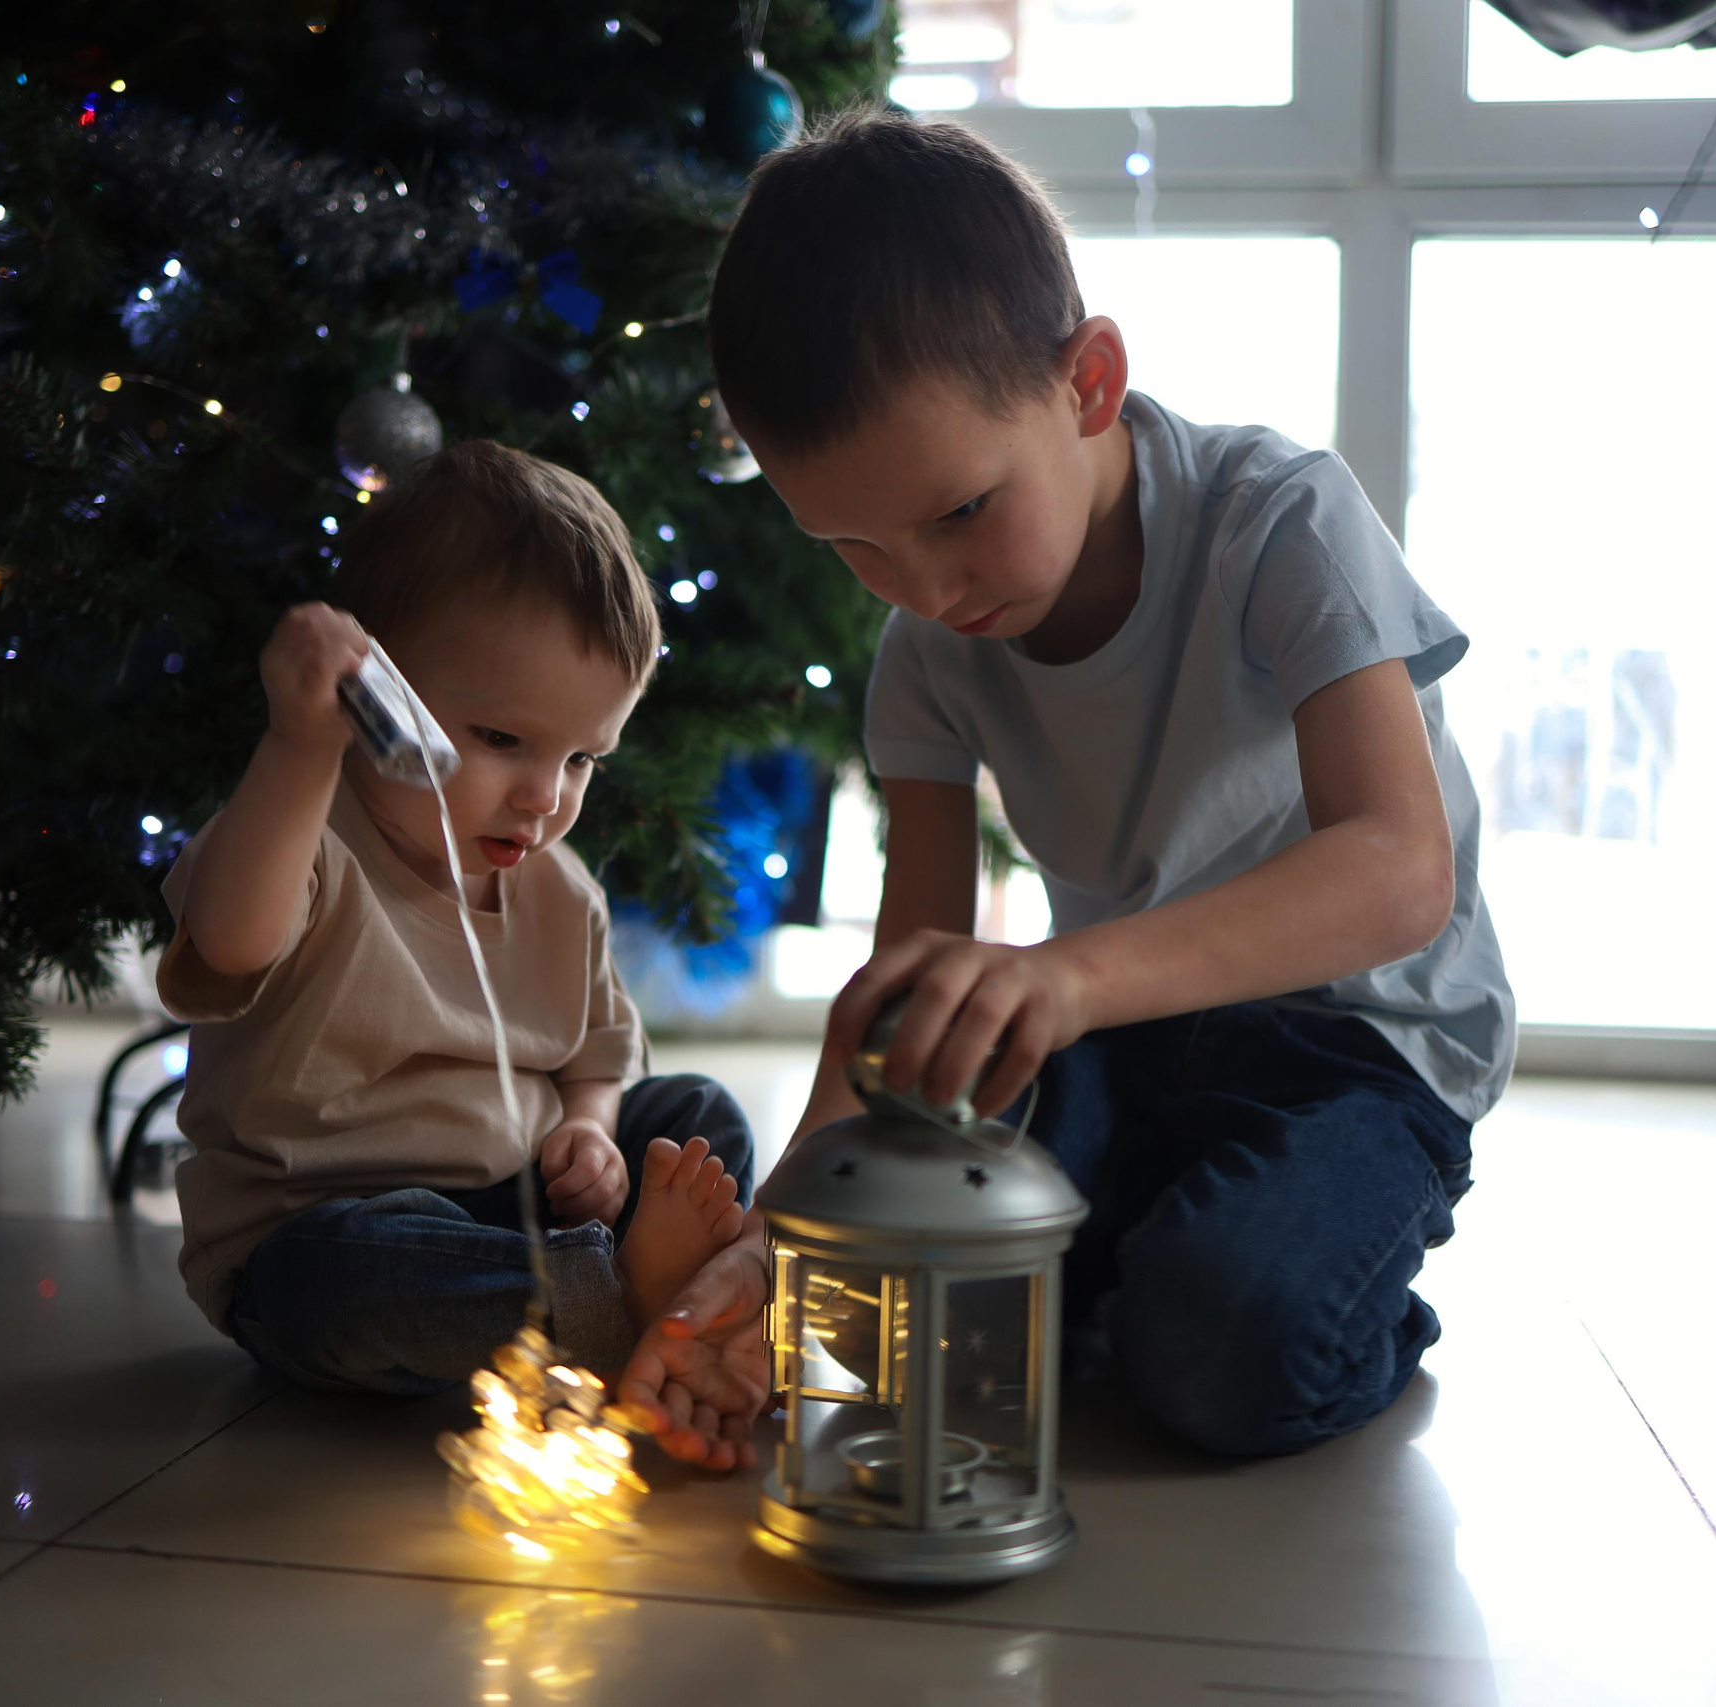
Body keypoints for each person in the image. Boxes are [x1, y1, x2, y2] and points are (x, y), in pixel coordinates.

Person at [620, 107, 1515, 1466]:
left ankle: (1228, 1285)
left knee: (1220, 1345)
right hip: (1113, 1043)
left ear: (1088, 381)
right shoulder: (927, 653)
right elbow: (905, 989)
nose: (928, 589)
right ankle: (1101, 1266)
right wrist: (785, 1238)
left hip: (1359, 1050)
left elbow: (1400, 869)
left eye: (961, 512)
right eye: (855, 546)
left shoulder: (1282, 520)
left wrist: (1071, 978)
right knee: (884, 1284)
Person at [157, 440, 754, 1394]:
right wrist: (300, 744)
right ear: (380, 697)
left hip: (523, 1200)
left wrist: (591, 1132)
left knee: (695, 1115)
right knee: (337, 1277)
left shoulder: (561, 891)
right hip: (337, 1224)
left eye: (581, 759)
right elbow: (230, 941)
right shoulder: (303, 836)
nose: (544, 798)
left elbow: (596, 1056)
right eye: (502, 739)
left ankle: (616, 1302)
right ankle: (637, 1308)